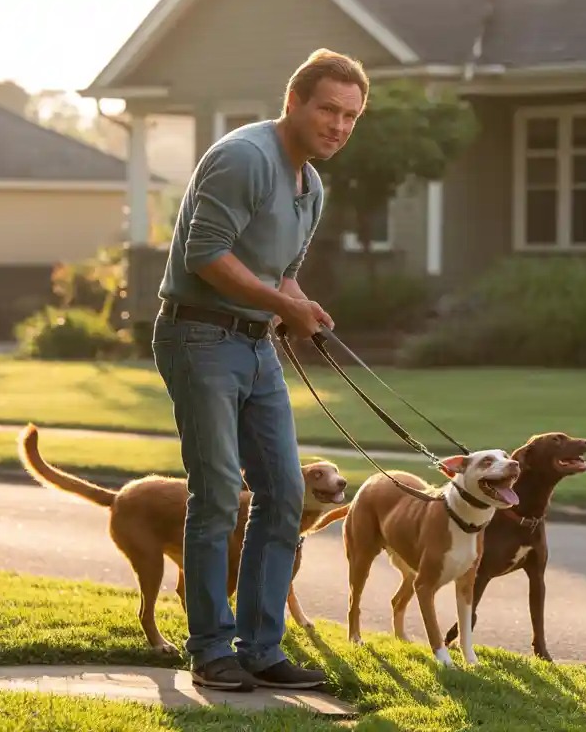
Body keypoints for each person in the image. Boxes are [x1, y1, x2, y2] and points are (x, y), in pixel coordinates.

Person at [150, 48, 368, 692]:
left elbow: (284, 272)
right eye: (328, 109)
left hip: (256, 343)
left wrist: (298, 306)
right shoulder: (244, 157)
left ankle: (262, 647)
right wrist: (283, 305)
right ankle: (210, 649)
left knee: (284, 493)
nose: (338, 125)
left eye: (351, 116)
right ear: (294, 102)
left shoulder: (313, 186)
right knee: (217, 491)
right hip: (198, 335)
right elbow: (206, 253)